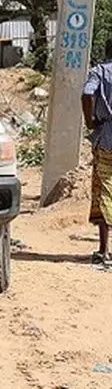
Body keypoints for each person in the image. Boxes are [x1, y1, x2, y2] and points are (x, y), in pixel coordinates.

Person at [82, 38, 112, 265]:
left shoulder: (99, 71)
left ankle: (105, 250)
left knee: (104, 192)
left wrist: (90, 121)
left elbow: (87, 94)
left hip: (106, 139)